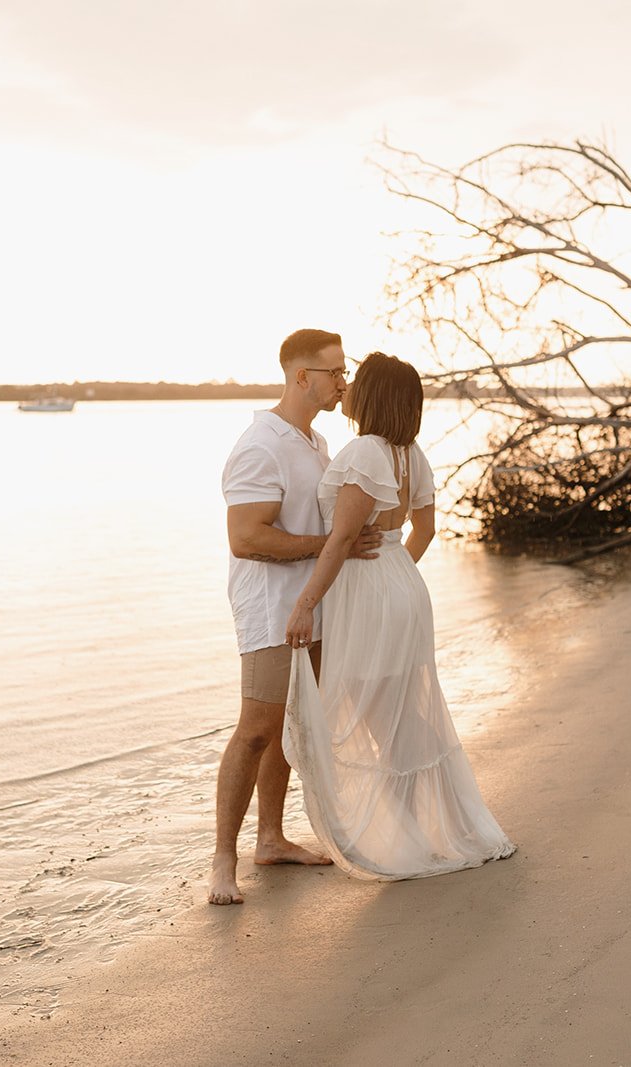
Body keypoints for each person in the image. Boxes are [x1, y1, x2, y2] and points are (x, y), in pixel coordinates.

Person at [283, 353, 516, 880]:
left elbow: (342, 538)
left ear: (373, 396)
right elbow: (425, 530)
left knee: (379, 721)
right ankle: (423, 828)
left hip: (372, 593)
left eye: (357, 383)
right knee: (402, 720)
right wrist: (393, 575)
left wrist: (304, 605)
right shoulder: (412, 453)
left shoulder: (365, 451)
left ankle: (409, 839)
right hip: (402, 586)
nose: (348, 388)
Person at [212, 328, 382, 905]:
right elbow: (245, 537)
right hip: (269, 608)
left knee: (291, 726)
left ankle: (272, 838)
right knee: (257, 729)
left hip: (310, 606)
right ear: (301, 376)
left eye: (346, 370)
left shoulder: (315, 442)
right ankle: (221, 862)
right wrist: (325, 545)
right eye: (336, 372)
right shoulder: (261, 444)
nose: (344, 382)